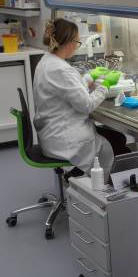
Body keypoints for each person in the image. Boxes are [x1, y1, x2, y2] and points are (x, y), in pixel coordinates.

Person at [33, 19, 129, 176]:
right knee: (118, 145)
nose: (78, 46)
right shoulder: (61, 69)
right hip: (66, 140)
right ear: (69, 42)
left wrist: (88, 78)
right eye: (77, 41)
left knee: (117, 138)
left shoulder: (47, 62)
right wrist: (105, 84)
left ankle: (83, 179)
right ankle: (102, 190)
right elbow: (86, 105)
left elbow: (68, 91)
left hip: (51, 134)